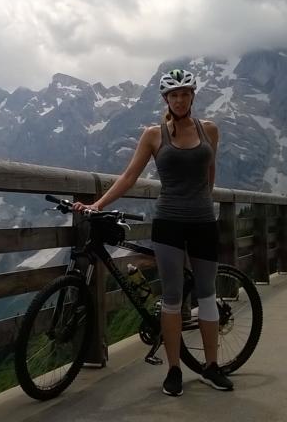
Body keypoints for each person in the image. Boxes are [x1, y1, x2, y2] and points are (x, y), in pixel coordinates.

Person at [72, 68, 233, 396]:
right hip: (168, 222)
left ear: (192, 96)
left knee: (206, 293)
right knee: (172, 297)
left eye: (185, 93)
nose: (180, 99)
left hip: (203, 221)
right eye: (174, 95)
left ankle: (211, 367)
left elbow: (210, 171)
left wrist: (202, 201)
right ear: (166, 99)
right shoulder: (153, 135)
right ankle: (173, 370)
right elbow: (130, 176)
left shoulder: (210, 130)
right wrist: (98, 204)